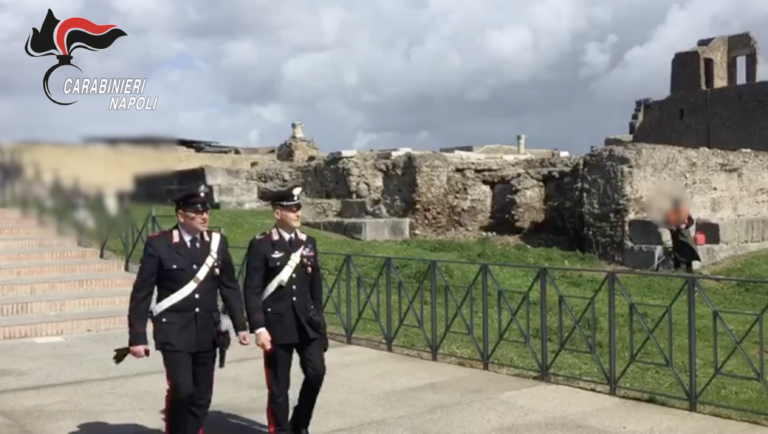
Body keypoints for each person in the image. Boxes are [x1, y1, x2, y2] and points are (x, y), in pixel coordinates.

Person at [126, 184, 250, 434]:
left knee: (202, 396)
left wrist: (241, 326)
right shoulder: (159, 245)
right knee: (182, 390)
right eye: (197, 212)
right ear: (181, 215)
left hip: (207, 330)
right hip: (173, 331)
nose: (205, 216)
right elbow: (142, 292)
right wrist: (137, 337)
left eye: (207, 211)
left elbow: (229, 287)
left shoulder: (217, 243)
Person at [243, 186, 328, 434]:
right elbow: (252, 289)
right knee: (279, 387)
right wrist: (259, 327)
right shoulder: (261, 245)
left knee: (316, 374)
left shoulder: (308, 242)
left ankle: (299, 424)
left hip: (306, 324)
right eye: (292, 209)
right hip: (276, 325)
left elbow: (315, 286)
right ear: (278, 212)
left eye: (298, 208)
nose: (297, 213)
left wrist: (319, 321)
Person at [664, 197, 701, 273]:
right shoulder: (670, 213)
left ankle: (689, 268)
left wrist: (685, 226)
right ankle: (677, 268)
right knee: (677, 252)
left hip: (685, 234)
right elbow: (666, 223)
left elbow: (691, 221)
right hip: (675, 235)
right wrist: (672, 227)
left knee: (688, 250)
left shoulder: (684, 211)